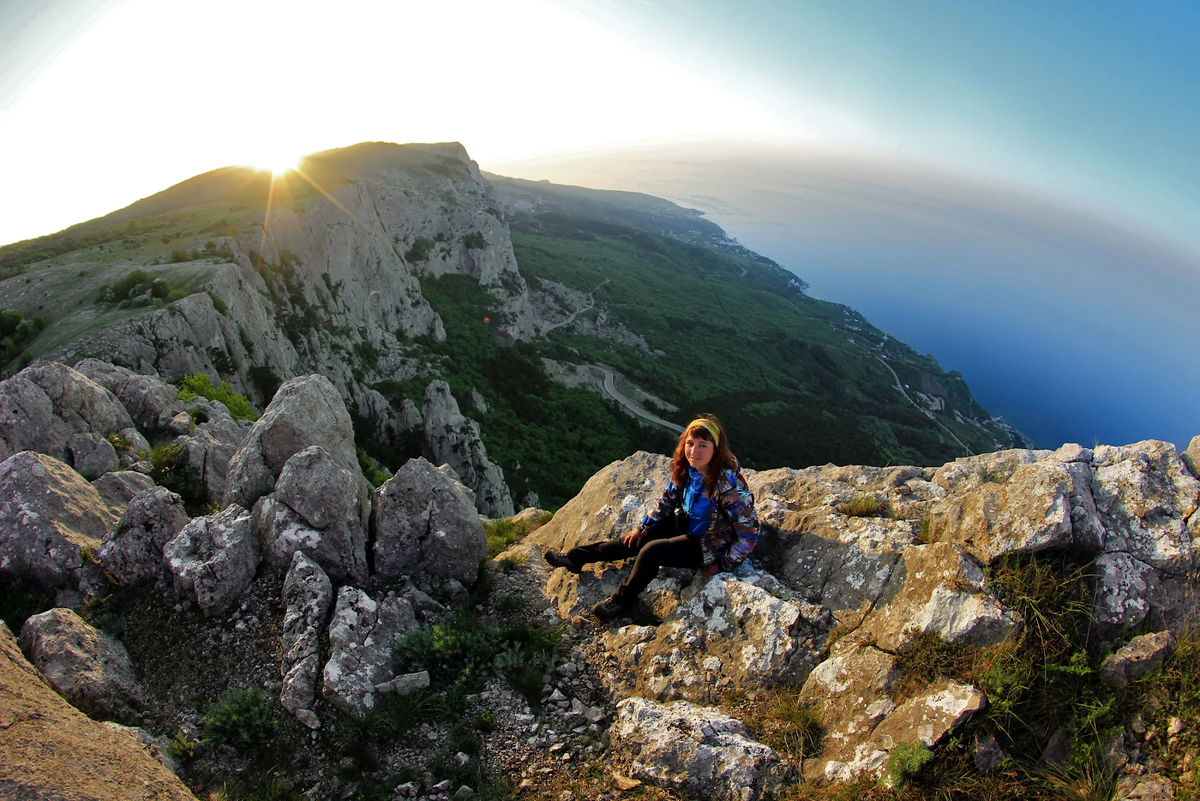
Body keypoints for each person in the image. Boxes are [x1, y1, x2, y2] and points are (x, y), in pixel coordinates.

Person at [544, 414, 761, 621]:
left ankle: (622, 601)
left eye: (703, 445)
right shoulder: (688, 469)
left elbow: (749, 534)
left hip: (706, 543)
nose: (694, 451)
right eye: (690, 443)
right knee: (632, 541)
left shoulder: (728, 487)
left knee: (651, 552)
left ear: (716, 449)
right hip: (685, 523)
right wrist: (643, 526)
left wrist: (722, 564)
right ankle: (576, 557)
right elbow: (668, 500)